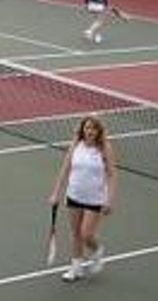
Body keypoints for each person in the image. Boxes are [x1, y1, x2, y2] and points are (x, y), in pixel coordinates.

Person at [48, 115, 118, 282]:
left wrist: (109, 200)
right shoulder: (75, 145)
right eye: (87, 128)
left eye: (93, 128)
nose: (90, 131)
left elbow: (112, 174)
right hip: (74, 195)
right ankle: (76, 268)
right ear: (83, 130)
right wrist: (56, 192)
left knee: (86, 234)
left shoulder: (105, 148)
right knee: (76, 234)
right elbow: (65, 169)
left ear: (98, 131)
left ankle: (97, 251)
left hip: (95, 198)